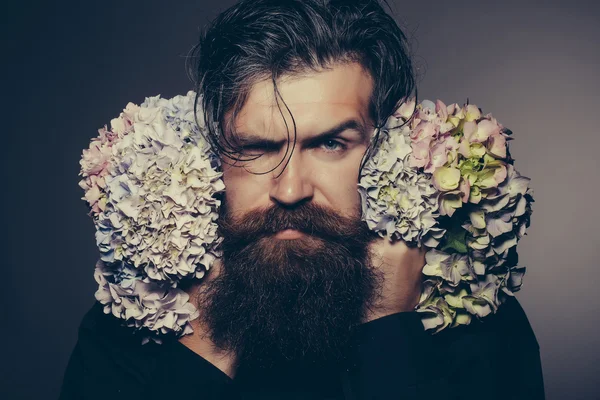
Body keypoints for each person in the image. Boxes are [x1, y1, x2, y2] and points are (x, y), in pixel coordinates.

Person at [58, 0, 545, 399]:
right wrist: (201, 351)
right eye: (254, 147)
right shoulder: (124, 334)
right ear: (210, 159)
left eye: (330, 144)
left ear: (391, 152)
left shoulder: (479, 328)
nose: (290, 191)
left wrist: (390, 331)